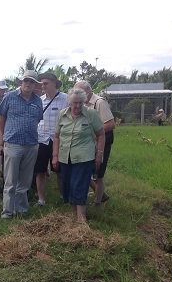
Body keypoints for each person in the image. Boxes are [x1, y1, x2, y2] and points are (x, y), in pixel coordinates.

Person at [52, 87, 105, 223]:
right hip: (65, 157)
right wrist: (55, 156)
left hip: (84, 157)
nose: (77, 105)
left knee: (79, 186)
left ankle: (82, 220)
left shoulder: (91, 114)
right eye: (74, 103)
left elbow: (101, 134)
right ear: (69, 103)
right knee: (68, 186)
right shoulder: (62, 115)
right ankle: (74, 215)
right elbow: (56, 136)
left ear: (84, 102)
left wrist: (99, 153)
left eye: (80, 102)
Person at [0, 70, 44, 219]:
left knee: (25, 180)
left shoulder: (37, 101)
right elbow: (1, 119)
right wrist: (5, 138)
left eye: (31, 82)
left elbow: (37, 120)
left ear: (35, 85)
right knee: (10, 180)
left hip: (31, 144)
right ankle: (7, 212)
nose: (28, 84)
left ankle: (21, 210)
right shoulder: (9, 97)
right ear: (21, 82)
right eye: (26, 81)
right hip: (13, 144)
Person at [74, 80, 116, 205]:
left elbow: (110, 124)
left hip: (101, 141)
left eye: (79, 91)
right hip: (88, 142)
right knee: (86, 171)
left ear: (88, 90)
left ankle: (97, 202)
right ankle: (100, 194)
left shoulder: (99, 102)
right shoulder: (81, 104)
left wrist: (93, 131)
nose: (77, 94)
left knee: (98, 173)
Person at [33, 73, 68, 206]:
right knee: (40, 171)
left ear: (54, 83)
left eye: (46, 83)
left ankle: (63, 196)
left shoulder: (66, 99)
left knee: (59, 171)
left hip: (58, 140)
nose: (43, 86)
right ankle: (41, 200)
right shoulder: (40, 100)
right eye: (41, 84)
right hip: (42, 139)